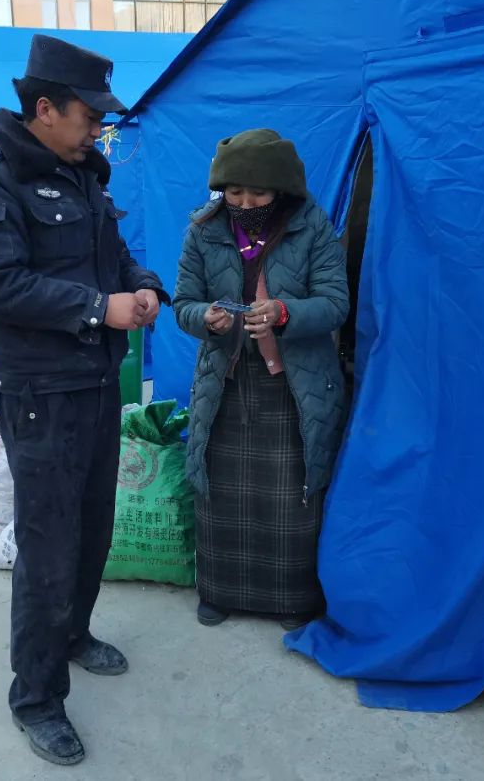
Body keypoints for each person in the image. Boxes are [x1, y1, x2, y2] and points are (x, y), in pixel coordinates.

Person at [0, 35, 167, 766]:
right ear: (44, 109)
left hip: (97, 382)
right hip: (41, 391)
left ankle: (73, 634)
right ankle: (36, 697)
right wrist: (99, 309)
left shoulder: (81, 175)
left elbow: (113, 255)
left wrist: (142, 286)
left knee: (95, 527)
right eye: (89, 115)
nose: (98, 128)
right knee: (48, 544)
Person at [174, 129, 349, 631]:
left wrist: (284, 312)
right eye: (234, 192)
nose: (245, 203)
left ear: (282, 191)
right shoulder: (204, 230)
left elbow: (336, 303)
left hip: (295, 383)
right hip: (225, 380)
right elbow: (183, 302)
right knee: (220, 491)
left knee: (292, 493)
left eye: (258, 193)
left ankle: (291, 598)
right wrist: (205, 318)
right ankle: (218, 591)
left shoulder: (311, 227)